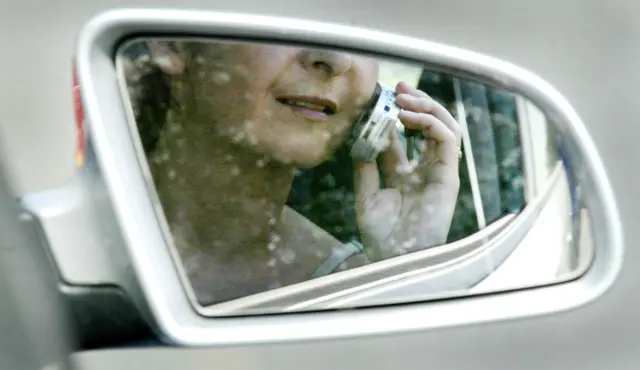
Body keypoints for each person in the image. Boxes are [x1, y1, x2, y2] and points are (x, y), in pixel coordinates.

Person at [122, 39, 462, 305]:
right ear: (170, 42)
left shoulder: (352, 284)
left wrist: (406, 268)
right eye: (287, 13)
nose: (337, 59)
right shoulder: (79, 226)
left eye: (358, 28)